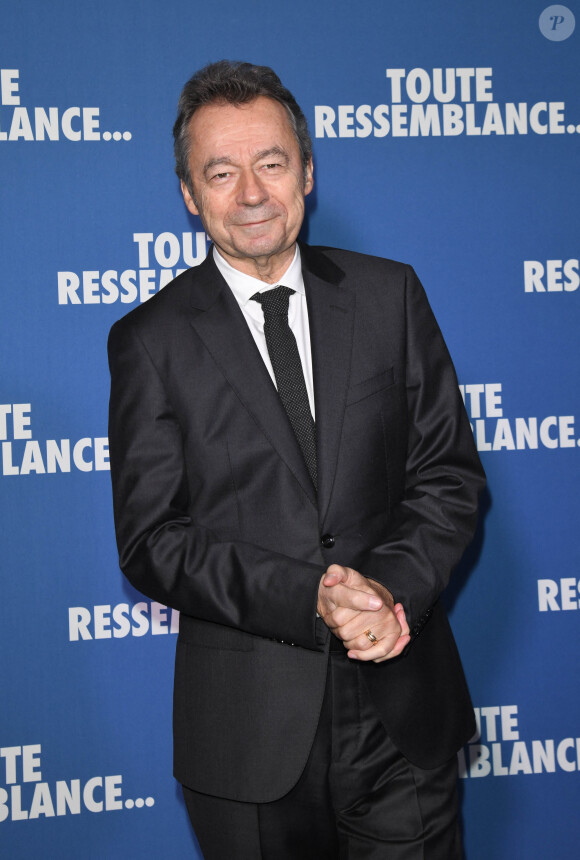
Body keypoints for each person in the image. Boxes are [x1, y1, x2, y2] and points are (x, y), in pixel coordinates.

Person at [108, 60, 485, 859]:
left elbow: (449, 475)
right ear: (188, 193)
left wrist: (389, 591)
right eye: (221, 171)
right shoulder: (150, 341)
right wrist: (310, 596)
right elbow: (153, 539)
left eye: (271, 163)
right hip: (248, 737)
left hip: (401, 711)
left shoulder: (390, 297)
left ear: (307, 172)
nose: (251, 193)